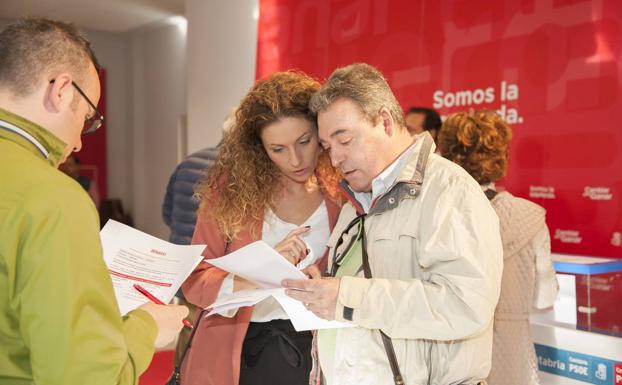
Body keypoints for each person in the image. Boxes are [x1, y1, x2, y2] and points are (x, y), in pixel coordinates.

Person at [282, 63, 503, 385]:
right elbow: (363, 280)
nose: (336, 159)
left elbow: (465, 305)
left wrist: (346, 296)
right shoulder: (355, 199)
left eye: (345, 141)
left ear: (384, 121)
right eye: (329, 148)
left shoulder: (448, 190)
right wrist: (321, 283)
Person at [0, 18, 188, 385]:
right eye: (88, 119)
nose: (79, 144)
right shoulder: (52, 197)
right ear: (62, 90)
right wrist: (148, 326)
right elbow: (86, 376)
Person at [180, 71, 342, 385]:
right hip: (241, 351)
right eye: (278, 149)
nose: (296, 159)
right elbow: (195, 281)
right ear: (259, 149)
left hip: (319, 350)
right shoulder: (230, 193)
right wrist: (261, 268)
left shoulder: (340, 191)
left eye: (304, 141)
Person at [438, 109, 559, 385]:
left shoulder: (440, 214)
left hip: (456, 352)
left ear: (449, 156)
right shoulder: (530, 216)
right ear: (500, 156)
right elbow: (544, 297)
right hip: (512, 353)